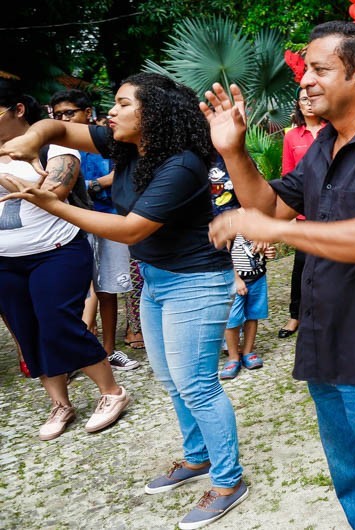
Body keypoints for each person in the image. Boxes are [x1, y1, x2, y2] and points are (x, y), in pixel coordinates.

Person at [201, 21, 355, 529]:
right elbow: (268, 204)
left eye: (319, 69)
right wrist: (233, 151)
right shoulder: (324, 145)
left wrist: (281, 231)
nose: (305, 81)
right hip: (325, 343)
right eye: (305, 71)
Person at [0, 73, 248, 529]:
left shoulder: (183, 163)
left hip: (195, 283)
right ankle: (197, 459)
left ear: (151, 114)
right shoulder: (125, 146)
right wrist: (33, 137)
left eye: (121, 104)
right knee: (173, 381)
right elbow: (57, 129)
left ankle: (230, 481)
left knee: (197, 385)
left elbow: (132, 228)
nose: (109, 113)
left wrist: (52, 204)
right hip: (156, 279)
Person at [0, 82, 130, 441]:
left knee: (58, 322)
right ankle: (60, 403)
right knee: (28, 331)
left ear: (18, 110)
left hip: (56, 251)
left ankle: (111, 391)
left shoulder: (53, 145)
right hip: (6, 260)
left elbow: (53, 192)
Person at [50, 88, 139, 370]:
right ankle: (81, 354)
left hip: (110, 218)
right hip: (69, 225)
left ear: (87, 113)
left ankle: (109, 350)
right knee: (75, 290)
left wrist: (94, 184)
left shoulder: (110, 137)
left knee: (107, 289)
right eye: (58, 115)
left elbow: (121, 172)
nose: (64, 119)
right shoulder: (53, 146)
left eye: (69, 113)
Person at [208, 154, 274, 379]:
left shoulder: (256, 219)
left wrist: (269, 250)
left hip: (258, 274)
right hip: (238, 278)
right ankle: (233, 355)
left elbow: (266, 245)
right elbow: (226, 253)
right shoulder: (229, 221)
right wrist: (235, 279)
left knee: (253, 314)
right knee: (233, 319)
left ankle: (248, 351)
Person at [278, 88, 327, 339]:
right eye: (303, 100)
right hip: (303, 211)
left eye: (312, 98)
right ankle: (295, 315)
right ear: (298, 104)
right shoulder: (292, 137)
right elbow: (288, 175)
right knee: (301, 266)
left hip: (331, 209)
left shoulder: (333, 132)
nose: (309, 104)